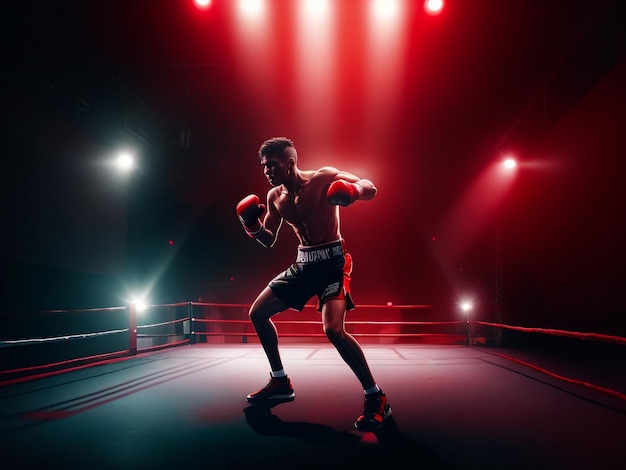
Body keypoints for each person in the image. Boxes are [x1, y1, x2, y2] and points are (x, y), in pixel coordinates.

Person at [236, 137, 391, 431]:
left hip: (333, 263)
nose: (267, 170)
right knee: (257, 313)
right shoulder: (274, 197)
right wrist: (251, 225)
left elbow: (370, 187)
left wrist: (354, 191)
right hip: (303, 265)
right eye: (264, 166)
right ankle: (280, 380)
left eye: (272, 164)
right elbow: (269, 239)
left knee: (333, 329)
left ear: (290, 162)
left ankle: (376, 396)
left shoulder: (323, 178)